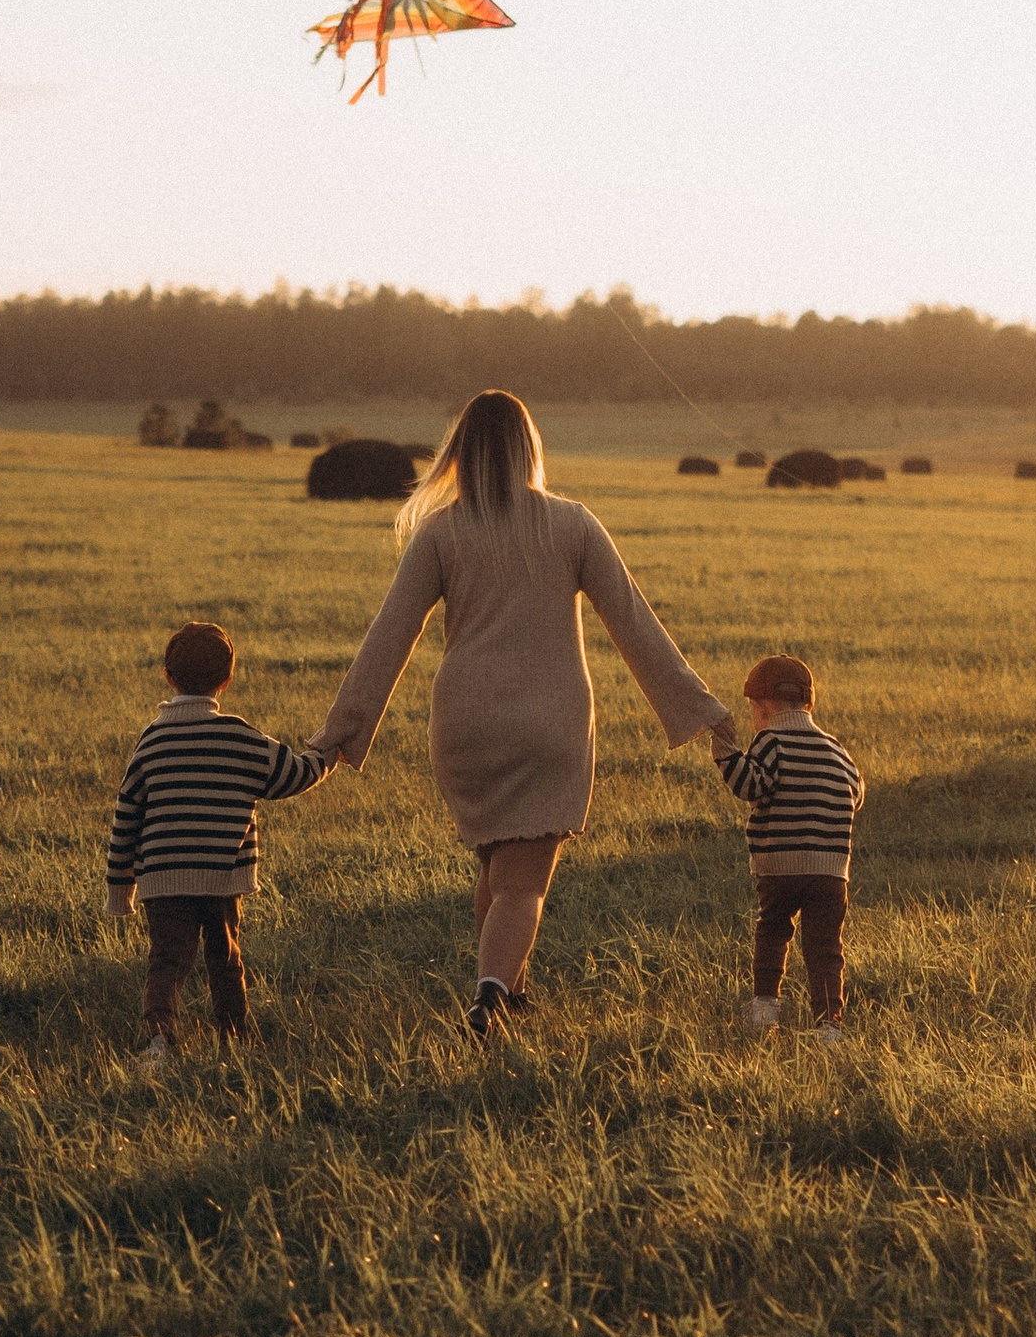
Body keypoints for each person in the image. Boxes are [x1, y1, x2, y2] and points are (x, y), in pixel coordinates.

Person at [316, 390, 729, 1037]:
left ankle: (515, 991)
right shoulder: (572, 523)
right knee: (522, 884)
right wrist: (705, 712)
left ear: (462, 453)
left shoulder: (443, 531)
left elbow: (389, 635)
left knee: (496, 866)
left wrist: (341, 728)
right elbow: (636, 626)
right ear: (529, 448)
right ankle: (488, 1000)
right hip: (550, 724)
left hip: (465, 725)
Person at [106, 619, 332, 1075]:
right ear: (227, 679)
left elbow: (126, 814)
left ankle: (159, 1041)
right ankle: (236, 1036)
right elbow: (294, 775)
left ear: (168, 676)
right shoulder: (239, 736)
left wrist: (119, 890)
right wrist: (329, 751)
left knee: (167, 961)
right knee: (225, 957)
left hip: (163, 880)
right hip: (221, 876)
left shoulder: (152, 739)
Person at [711, 652, 863, 1035]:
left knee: (774, 928)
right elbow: (856, 793)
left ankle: (765, 1005)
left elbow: (750, 785)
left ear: (761, 706)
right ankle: (830, 1023)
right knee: (825, 947)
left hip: (780, 866)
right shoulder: (837, 750)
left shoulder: (770, 741)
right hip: (830, 873)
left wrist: (726, 753)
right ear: (808, 703)